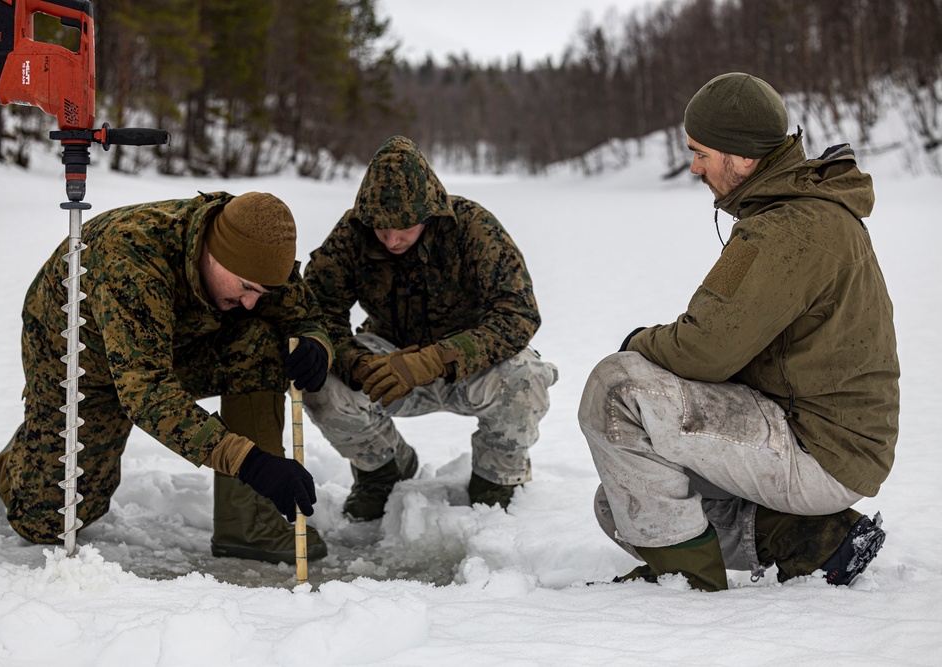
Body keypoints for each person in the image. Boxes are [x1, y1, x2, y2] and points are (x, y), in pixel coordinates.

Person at [578, 72, 899, 591]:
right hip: (831, 441)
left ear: (743, 158)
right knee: (619, 503)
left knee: (617, 388)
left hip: (820, 448)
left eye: (701, 152)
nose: (694, 166)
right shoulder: (797, 212)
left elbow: (705, 349)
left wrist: (638, 342)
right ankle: (814, 542)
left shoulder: (787, 228)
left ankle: (684, 584)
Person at [0, 191, 334, 565]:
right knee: (52, 520)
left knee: (259, 344)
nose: (251, 301)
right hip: (79, 360)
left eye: (262, 291)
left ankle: (250, 525)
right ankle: (21, 456)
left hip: (170, 346)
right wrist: (251, 463)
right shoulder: (131, 259)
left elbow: (303, 312)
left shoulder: (256, 240)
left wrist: (316, 343)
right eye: (246, 288)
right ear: (214, 253)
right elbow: (148, 394)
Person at [302, 135, 558, 521]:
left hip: (470, 367)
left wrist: (438, 359)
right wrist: (356, 363)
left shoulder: (473, 227)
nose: (391, 239)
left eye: (403, 227)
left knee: (526, 377)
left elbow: (518, 313)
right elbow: (318, 312)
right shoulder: (352, 233)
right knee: (319, 378)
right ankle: (383, 470)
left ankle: (497, 480)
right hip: (387, 366)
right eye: (380, 228)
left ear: (430, 212)